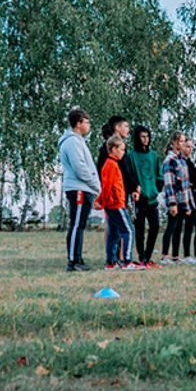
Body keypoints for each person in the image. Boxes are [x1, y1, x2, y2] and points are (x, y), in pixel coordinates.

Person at [58, 107, 101, 271]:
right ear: (78, 123)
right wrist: (95, 185)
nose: (89, 125)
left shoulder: (79, 141)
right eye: (87, 122)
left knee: (80, 224)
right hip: (79, 189)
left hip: (84, 188)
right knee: (76, 224)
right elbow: (80, 167)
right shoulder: (72, 142)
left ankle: (78, 258)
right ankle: (73, 261)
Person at [97, 134, 134, 269]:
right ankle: (127, 261)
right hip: (116, 204)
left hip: (112, 204)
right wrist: (102, 201)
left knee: (114, 233)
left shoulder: (111, 164)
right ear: (113, 149)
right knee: (129, 230)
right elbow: (107, 186)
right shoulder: (111, 165)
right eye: (121, 149)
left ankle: (111, 262)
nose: (123, 153)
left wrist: (102, 202)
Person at [160, 130, 195, 262]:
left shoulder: (181, 160)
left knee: (178, 228)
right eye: (181, 141)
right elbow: (169, 183)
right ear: (174, 143)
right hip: (174, 199)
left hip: (183, 200)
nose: (183, 143)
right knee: (171, 226)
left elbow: (185, 183)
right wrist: (172, 203)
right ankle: (164, 255)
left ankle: (175, 255)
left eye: (184, 141)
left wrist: (188, 204)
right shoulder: (170, 160)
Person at [130, 125, 162, 265]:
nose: (145, 139)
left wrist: (157, 187)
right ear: (137, 138)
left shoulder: (153, 155)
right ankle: (141, 255)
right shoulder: (131, 156)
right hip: (139, 197)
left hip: (152, 197)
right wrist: (135, 190)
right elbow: (130, 174)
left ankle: (148, 255)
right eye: (142, 136)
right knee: (140, 229)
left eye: (147, 136)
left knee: (155, 226)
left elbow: (158, 173)